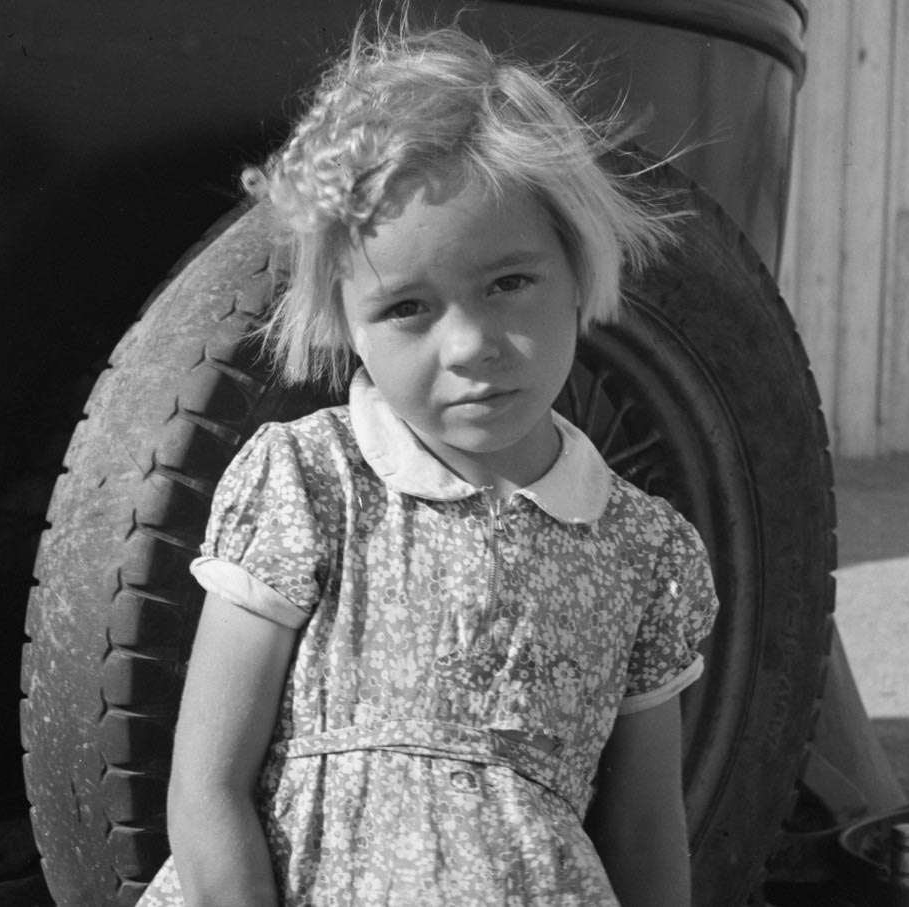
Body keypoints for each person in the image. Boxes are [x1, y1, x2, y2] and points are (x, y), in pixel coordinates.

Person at [137, 17, 717, 907]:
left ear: (576, 260)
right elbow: (208, 788)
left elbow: (644, 833)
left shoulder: (644, 553)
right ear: (345, 321)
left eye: (509, 283)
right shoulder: (309, 485)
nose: (472, 344)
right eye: (409, 306)